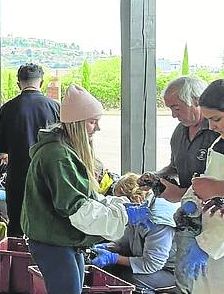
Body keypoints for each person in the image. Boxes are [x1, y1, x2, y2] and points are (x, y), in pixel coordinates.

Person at [22, 85, 152, 294]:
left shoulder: (64, 150)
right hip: (54, 242)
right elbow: (76, 208)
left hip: (61, 240)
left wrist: (118, 205)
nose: (97, 128)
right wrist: (122, 214)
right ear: (76, 124)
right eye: (92, 122)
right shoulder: (58, 156)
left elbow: (87, 197)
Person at [147, 76, 218, 294]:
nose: (173, 115)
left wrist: (181, 193)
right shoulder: (179, 132)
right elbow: (174, 167)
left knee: (208, 279)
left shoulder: (216, 132)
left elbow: (212, 182)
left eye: (177, 108)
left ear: (196, 101)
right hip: (188, 216)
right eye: (170, 108)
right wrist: (154, 177)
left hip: (213, 216)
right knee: (185, 276)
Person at [0, 63, 60, 236]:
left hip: (18, 175)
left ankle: (17, 260)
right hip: (49, 175)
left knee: (16, 224)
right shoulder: (54, 107)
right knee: (47, 224)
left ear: (18, 84)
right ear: (42, 82)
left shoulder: (7, 108)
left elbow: (0, 147)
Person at [174, 79, 224, 294]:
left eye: (217, 119)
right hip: (211, 244)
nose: (212, 126)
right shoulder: (218, 143)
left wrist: (208, 245)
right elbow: (205, 181)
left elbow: (215, 188)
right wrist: (191, 201)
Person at [91, 173, 178, 294]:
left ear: (131, 199)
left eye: (118, 202)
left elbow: (152, 264)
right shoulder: (136, 211)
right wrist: (108, 247)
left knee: (132, 279)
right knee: (115, 270)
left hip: (174, 272)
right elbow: (126, 242)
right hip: (156, 265)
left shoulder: (157, 220)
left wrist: (113, 258)